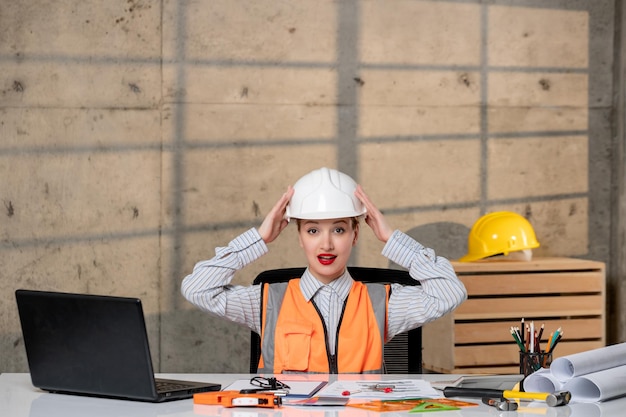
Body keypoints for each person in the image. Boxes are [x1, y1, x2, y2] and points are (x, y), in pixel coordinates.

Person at [181, 167, 467, 374]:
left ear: (355, 235)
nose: (326, 244)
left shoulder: (384, 303)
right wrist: (259, 238)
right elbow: (197, 288)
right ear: (300, 236)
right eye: (313, 230)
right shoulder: (267, 302)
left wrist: (392, 239)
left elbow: (449, 293)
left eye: (339, 229)